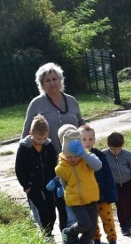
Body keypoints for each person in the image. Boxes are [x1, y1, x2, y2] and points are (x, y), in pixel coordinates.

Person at [22, 62, 84, 232]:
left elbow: (81, 124)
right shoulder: (36, 104)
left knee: (76, 198)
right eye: (47, 80)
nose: (52, 83)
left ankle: (76, 231)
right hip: (50, 163)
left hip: (75, 160)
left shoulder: (71, 101)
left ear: (61, 79)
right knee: (58, 200)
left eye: (54, 78)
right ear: (41, 84)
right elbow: (26, 134)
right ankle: (62, 232)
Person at [55, 127, 102, 244]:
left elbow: (98, 165)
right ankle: (69, 232)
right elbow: (64, 183)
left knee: (91, 230)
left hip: (91, 198)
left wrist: (83, 154)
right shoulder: (62, 167)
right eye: (69, 156)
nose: (73, 159)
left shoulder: (87, 158)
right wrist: (64, 192)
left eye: (75, 155)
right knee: (84, 223)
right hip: (75, 201)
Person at [14, 114, 58, 238]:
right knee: (42, 210)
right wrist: (26, 185)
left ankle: (49, 232)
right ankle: (47, 236)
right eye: (39, 139)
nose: (42, 141)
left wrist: (54, 178)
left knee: (51, 212)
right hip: (32, 185)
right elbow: (19, 168)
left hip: (48, 183)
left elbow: (53, 163)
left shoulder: (48, 146)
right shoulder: (24, 148)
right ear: (30, 133)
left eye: (44, 138)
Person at [78, 125, 119, 244]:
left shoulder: (100, 155)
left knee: (107, 219)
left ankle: (112, 240)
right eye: (84, 139)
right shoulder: (78, 158)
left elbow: (108, 175)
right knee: (92, 222)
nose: (87, 142)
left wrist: (111, 194)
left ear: (94, 140)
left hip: (103, 196)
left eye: (90, 139)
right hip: (88, 198)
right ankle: (96, 240)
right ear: (78, 140)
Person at [103, 131, 131, 237]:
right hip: (114, 185)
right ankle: (124, 226)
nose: (115, 151)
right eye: (113, 149)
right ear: (108, 146)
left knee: (129, 204)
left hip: (127, 183)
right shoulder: (104, 155)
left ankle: (128, 220)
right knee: (121, 205)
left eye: (118, 149)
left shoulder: (127, 154)